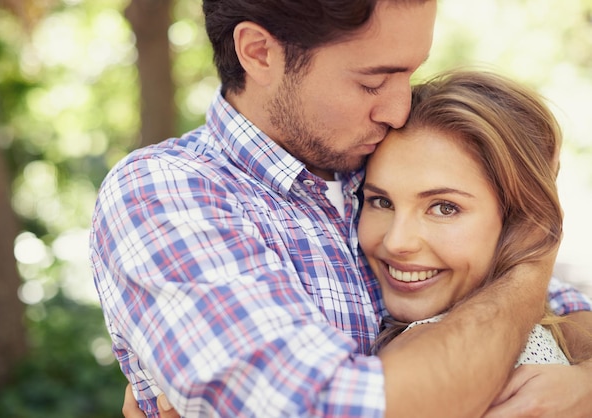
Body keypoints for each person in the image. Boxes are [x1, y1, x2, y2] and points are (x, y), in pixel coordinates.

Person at [91, 1, 592, 417]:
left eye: (409, 74)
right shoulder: (170, 191)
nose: (398, 110)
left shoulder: (375, 163)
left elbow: (565, 311)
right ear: (260, 52)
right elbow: (325, 408)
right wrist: (534, 257)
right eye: (372, 82)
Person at [360, 70, 575, 368]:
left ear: (520, 221)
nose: (396, 242)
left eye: (444, 208)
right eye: (381, 202)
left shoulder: (516, 372)